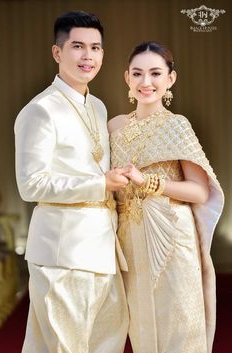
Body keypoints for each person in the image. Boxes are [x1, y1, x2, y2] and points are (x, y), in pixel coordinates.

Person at [14, 11, 129, 353]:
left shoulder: (97, 106)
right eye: (77, 46)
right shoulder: (40, 110)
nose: (87, 56)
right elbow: (30, 184)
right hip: (61, 254)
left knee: (105, 346)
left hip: (103, 250)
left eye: (95, 48)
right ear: (57, 52)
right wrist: (99, 184)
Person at [108, 41, 224, 353]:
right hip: (129, 235)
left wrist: (149, 181)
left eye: (156, 73)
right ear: (127, 78)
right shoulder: (114, 126)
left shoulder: (177, 125)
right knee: (141, 325)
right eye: (138, 73)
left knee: (179, 326)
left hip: (172, 236)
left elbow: (199, 191)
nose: (146, 82)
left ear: (170, 79)